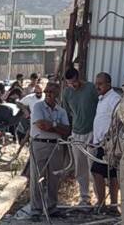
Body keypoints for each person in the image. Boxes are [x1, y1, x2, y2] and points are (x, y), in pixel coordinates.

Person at [28, 82, 71, 220]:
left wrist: (51, 124)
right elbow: (41, 125)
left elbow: (66, 131)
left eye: (51, 92)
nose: (48, 95)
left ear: (57, 94)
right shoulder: (38, 106)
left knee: (54, 178)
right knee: (37, 177)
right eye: (46, 92)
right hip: (39, 144)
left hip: (56, 146)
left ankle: (52, 207)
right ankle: (35, 210)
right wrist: (57, 126)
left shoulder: (62, 111)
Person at [61, 68, 101, 206]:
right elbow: (67, 113)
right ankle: (84, 198)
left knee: (94, 168)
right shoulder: (67, 93)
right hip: (76, 133)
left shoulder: (91, 88)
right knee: (80, 167)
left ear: (79, 78)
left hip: (92, 132)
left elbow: (100, 107)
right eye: (70, 84)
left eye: (75, 82)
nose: (73, 86)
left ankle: (99, 198)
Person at [91, 72, 122, 216]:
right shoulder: (102, 99)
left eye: (100, 84)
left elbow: (119, 119)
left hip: (110, 144)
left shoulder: (114, 98)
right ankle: (105, 204)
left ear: (108, 84)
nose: (97, 86)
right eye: (96, 83)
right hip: (100, 143)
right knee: (105, 173)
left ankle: (110, 205)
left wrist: (110, 137)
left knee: (104, 172)